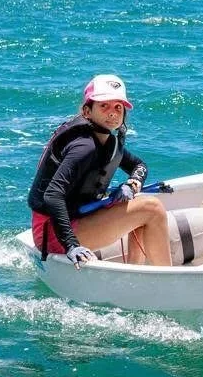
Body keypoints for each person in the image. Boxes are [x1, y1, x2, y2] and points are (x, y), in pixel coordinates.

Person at [27, 73, 171, 268]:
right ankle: (166, 279)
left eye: (118, 107)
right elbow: (52, 195)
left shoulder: (106, 141)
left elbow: (140, 166)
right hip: (53, 233)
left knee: (140, 204)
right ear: (87, 111)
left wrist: (132, 184)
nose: (112, 112)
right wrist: (71, 245)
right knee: (152, 209)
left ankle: (135, 273)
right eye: (104, 106)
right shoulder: (83, 148)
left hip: (77, 218)